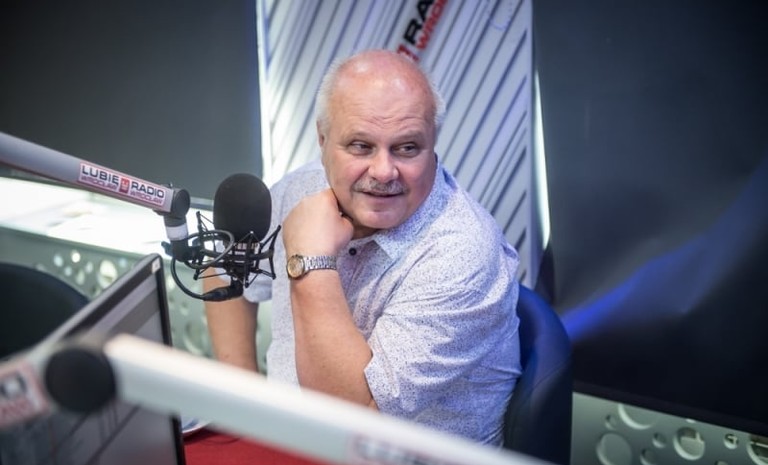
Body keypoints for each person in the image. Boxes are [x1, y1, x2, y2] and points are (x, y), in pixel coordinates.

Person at [203, 49, 521, 446]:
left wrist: (311, 261)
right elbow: (223, 268)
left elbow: (353, 423)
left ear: (433, 143)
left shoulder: (462, 253)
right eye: (360, 146)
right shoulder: (304, 186)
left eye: (407, 148)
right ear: (322, 140)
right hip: (282, 440)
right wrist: (242, 403)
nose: (384, 172)